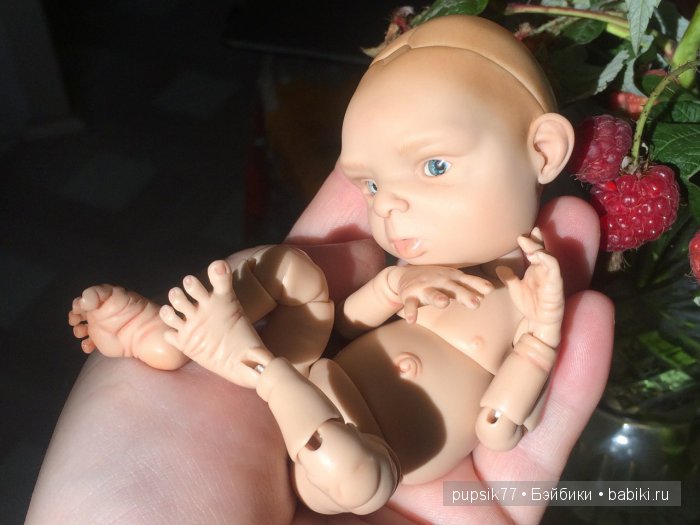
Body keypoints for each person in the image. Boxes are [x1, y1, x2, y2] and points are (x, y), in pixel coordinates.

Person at [26, 16, 614, 524]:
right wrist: (394, 284)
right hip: (317, 374)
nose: (389, 206)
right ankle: (171, 339)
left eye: (434, 166)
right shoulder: (419, 271)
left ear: (542, 150)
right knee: (291, 268)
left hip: (368, 458)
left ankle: (251, 363)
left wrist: (541, 338)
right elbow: (350, 324)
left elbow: (499, 429)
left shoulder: (528, 300)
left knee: (359, 478)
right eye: (372, 185)